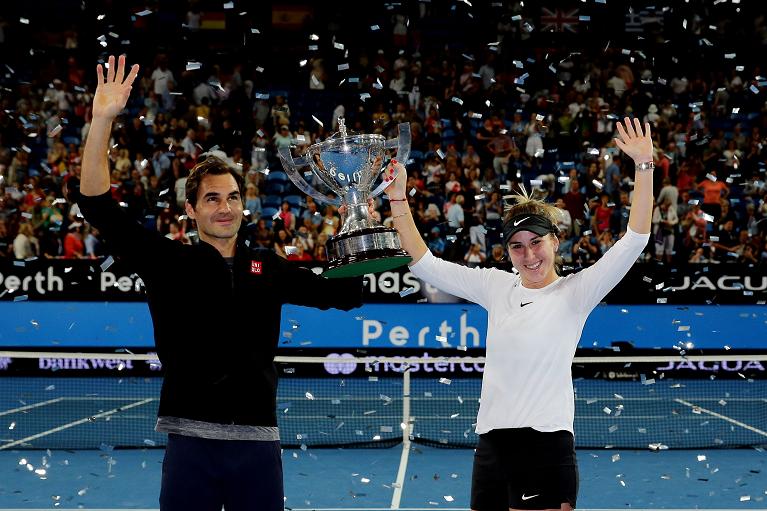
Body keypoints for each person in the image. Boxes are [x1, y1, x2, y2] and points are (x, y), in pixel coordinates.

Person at [75, 55, 363, 511]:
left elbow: (344, 293)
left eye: (232, 196)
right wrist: (102, 119)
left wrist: (376, 234)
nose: (225, 207)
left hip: (258, 444)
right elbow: (96, 204)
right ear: (191, 210)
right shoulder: (168, 262)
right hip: (190, 445)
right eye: (212, 198)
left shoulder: (269, 268)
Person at [384, 117, 653, 511]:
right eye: (517, 247)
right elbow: (423, 264)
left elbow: (635, 239)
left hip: (545, 446)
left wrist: (644, 167)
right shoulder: (497, 287)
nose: (529, 255)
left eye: (536, 242)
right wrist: (398, 198)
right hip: (491, 446)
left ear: (555, 241)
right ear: (507, 252)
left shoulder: (576, 292)